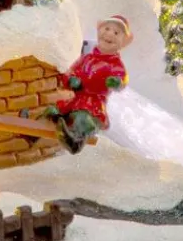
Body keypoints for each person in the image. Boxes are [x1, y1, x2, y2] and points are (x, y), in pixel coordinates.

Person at [27, 15, 131, 153]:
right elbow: (70, 73)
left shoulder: (115, 64)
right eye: (107, 29)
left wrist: (117, 82)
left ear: (123, 41)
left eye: (116, 33)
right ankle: (30, 135)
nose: (110, 34)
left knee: (82, 119)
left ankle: (74, 142)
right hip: (74, 101)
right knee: (52, 111)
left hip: (93, 106)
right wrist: (71, 80)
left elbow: (122, 78)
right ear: (99, 30)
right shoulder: (86, 58)